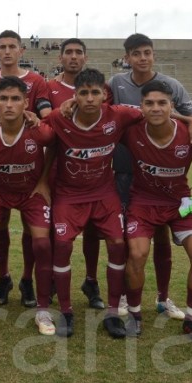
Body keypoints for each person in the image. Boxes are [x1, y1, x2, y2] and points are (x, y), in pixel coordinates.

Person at [47, 68, 192, 338]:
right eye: (82, 93)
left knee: (119, 245)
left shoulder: (119, 115)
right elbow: (38, 134)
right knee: (61, 245)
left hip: (107, 194)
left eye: (95, 93)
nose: (89, 98)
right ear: (75, 96)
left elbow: (155, 112)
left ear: (105, 95)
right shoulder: (58, 117)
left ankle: (112, 313)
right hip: (70, 195)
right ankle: (66, 312)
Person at [108, 33, 192, 320]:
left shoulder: (172, 86)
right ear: (127, 57)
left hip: (166, 183)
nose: (143, 58)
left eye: (147, 53)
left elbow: (191, 118)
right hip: (125, 173)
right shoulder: (116, 83)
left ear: (153, 54)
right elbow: (103, 113)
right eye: (136, 54)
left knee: (164, 240)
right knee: (122, 241)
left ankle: (163, 298)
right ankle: (118, 297)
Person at [121, 80, 192, 342]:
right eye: (149, 103)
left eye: (162, 103)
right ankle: (135, 316)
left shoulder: (191, 133)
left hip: (180, 204)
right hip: (142, 202)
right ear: (141, 106)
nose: (156, 108)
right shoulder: (131, 130)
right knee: (137, 254)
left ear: (171, 106)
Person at [0, 76, 54, 332]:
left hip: (30, 192)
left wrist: (43, 181)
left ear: (25, 103)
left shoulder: (38, 129)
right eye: (3, 99)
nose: (9, 104)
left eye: (15, 99)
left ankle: (42, 309)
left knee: (41, 242)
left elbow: (54, 145)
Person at [47, 38, 109, 311]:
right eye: (68, 53)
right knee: (55, 234)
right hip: (57, 172)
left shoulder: (100, 88)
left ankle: (91, 281)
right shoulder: (48, 87)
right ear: (60, 57)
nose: (73, 57)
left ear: (86, 57)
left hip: (96, 174)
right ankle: (51, 280)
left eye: (78, 53)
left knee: (94, 231)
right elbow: (43, 120)